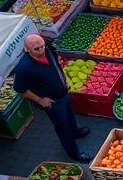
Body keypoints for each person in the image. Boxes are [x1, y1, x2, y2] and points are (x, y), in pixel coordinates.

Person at [14, 34, 90, 162]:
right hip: (52, 102)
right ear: (27, 49)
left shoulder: (47, 50)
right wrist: (39, 100)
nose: (41, 50)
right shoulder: (24, 68)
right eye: (36, 49)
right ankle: (73, 151)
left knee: (70, 115)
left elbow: (55, 62)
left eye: (42, 46)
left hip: (64, 93)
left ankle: (75, 132)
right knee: (62, 126)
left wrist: (62, 77)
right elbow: (19, 89)